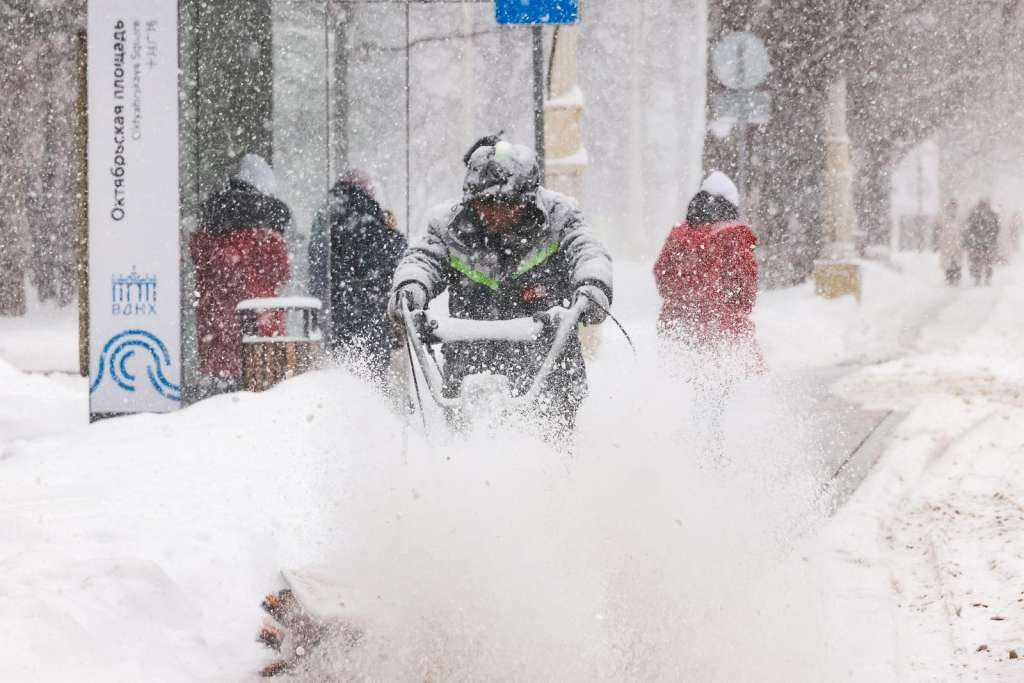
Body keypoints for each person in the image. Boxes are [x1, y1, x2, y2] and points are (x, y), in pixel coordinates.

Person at [387, 139, 613, 432]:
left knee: (553, 443)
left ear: (528, 198)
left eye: (506, 205)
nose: (495, 213)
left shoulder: (560, 218)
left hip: (549, 365)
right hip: (470, 364)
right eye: (485, 204)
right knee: (465, 449)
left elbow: (586, 249)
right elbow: (423, 258)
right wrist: (411, 286)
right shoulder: (448, 227)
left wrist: (592, 285)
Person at [653, 171, 761, 460]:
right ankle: (718, 453)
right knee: (725, 395)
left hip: (680, 329)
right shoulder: (734, 238)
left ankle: (684, 451)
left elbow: (661, 276)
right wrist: (725, 306)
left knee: (685, 392)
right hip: (722, 331)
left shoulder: (679, 237)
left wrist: (684, 301)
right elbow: (746, 290)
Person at [190, 153, 291, 394]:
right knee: (257, 400)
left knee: (221, 397)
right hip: (257, 328)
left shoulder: (211, 231)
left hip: (216, 327)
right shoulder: (266, 237)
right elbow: (282, 272)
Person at [309, 170, 407, 382]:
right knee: (372, 374)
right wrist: (392, 231)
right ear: (366, 190)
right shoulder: (367, 215)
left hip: (336, 307)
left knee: (342, 369)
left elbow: (316, 265)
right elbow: (394, 255)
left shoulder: (326, 216)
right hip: (369, 306)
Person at [964, 199, 1000, 286]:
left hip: (983, 243)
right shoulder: (976, 215)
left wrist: (992, 238)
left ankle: (983, 278)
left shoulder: (990, 215)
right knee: (981, 261)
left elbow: (996, 228)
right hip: (980, 243)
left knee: (984, 261)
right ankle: (980, 278)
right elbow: (970, 228)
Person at [936, 199, 962, 286]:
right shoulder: (944, 220)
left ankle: (956, 277)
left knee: (956, 261)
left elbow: (962, 232)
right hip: (947, 244)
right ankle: (949, 277)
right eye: (950, 208)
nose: (952, 210)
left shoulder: (958, 220)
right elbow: (939, 231)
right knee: (948, 262)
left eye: (954, 208)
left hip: (955, 244)